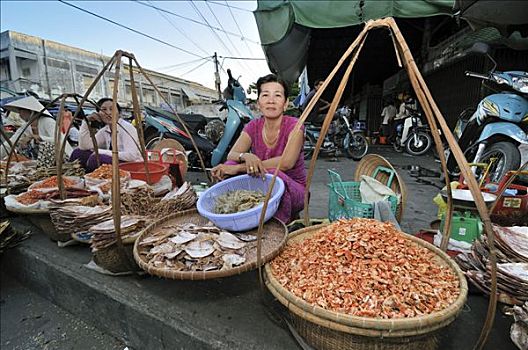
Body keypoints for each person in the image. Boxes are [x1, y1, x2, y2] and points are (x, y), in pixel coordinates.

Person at [211, 74, 306, 224]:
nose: (271, 100)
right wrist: (247, 157)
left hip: (294, 189)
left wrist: (240, 168)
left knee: (273, 174)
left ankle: (276, 225)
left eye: (278, 95)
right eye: (265, 95)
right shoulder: (253, 126)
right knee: (229, 165)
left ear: (286, 103)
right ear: (258, 103)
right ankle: (231, 214)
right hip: (262, 184)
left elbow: (287, 162)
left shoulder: (295, 125)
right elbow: (232, 154)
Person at [70, 98, 142, 172]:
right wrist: (86, 122)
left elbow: (131, 156)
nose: (108, 113)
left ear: (119, 113)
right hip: (117, 162)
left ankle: (90, 178)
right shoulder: (105, 130)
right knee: (78, 152)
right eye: (104, 109)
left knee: (97, 158)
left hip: (132, 165)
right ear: (98, 114)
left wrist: (100, 151)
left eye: (112, 109)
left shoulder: (127, 128)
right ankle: (77, 177)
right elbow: (84, 146)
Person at [1, 96, 72, 159]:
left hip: (61, 156)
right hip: (43, 159)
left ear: (31, 111)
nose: (20, 114)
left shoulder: (48, 121)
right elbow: (11, 143)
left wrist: (37, 137)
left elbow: (59, 140)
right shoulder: (25, 127)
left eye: (21, 111)